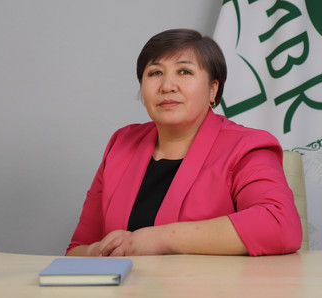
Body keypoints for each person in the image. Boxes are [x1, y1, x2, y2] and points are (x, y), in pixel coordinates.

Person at [66, 29, 302, 257]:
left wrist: (160, 239)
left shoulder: (247, 147)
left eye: (184, 72)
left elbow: (280, 225)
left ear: (213, 89)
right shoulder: (121, 144)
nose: (167, 86)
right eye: (155, 73)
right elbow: (77, 250)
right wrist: (99, 251)